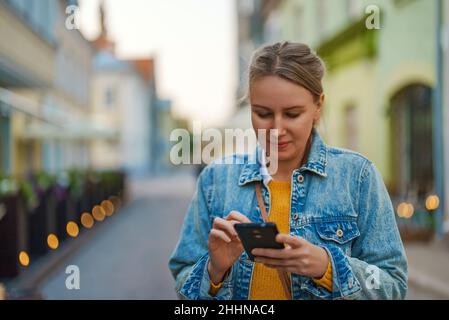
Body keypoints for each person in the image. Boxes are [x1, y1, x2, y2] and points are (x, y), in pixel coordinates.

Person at [168, 41, 408, 300]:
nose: (276, 129)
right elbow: (183, 283)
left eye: (292, 114)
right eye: (263, 113)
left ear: (318, 107)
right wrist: (215, 271)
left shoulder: (358, 177)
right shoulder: (215, 180)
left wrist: (327, 267)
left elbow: (393, 286)